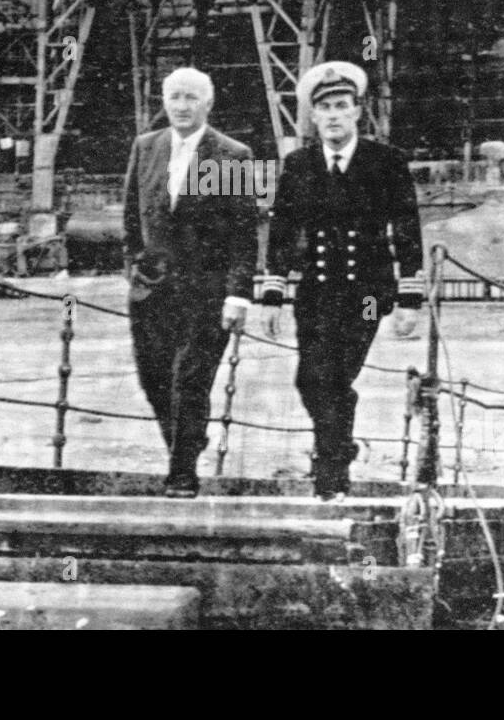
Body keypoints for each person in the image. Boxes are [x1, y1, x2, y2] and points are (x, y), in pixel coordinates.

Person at [260, 61, 424, 500]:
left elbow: (406, 228)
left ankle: (330, 475)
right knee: (311, 380)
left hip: (368, 295)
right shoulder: (299, 164)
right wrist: (273, 292)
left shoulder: (385, 162)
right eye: (324, 108)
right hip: (315, 292)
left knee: (334, 375)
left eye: (341, 106)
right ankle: (341, 447)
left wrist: (410, 297)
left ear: (357, 112)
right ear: (313, 117)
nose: (333, 115)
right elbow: (281, 229)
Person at [123, 67, 258, 498]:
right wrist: (134, 267)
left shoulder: (232, 155)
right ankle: (188, 440)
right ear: (164, 101)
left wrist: (238, 294)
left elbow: (243, 232)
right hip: (151, 288)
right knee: (153, 380)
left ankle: (181, 473)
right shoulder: (146, 147)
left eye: (191, 98)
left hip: (207, 292)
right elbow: (131, 217)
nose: (181, 106)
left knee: (190, 382)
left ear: (208, 104)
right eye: (174, 97)